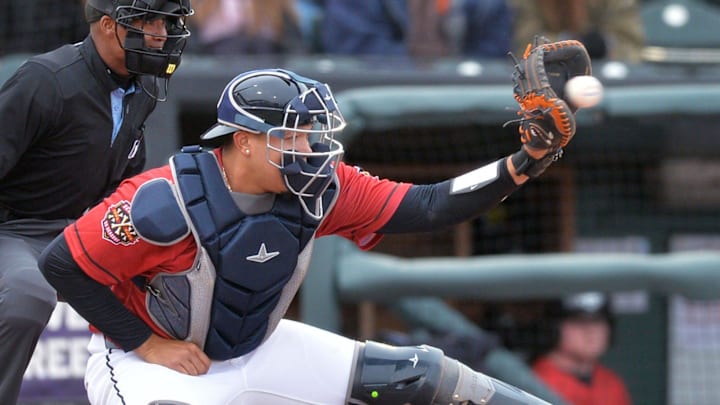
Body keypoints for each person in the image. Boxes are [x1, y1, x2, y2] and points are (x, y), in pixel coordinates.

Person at [38, 63, 579, 404]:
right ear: (244, 140)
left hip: (254, 348)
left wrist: (523, 162)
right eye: (293, 136)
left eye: (312, 135)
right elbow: (61, 266)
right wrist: (146, 343)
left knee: (421, 377)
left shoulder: (320, 187)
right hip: (146, 363)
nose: (310, 149)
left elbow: (430, 206)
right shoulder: (161, 201)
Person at [0, 1, 193, 403]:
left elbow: (121, 179)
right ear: (108, 25)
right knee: (27, 295)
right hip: (16, 227)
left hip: (83, 226)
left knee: (187, 272)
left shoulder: (146, 84)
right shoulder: (46, 79)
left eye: (165, 21)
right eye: (146, 21)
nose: (160, 32)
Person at [532, 292, 633, 405]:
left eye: (598, 321)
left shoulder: (612, 383)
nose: (591, 331)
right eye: (579, 321)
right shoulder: (535, 382)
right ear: (554, 329)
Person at [321, 0, 512, 59]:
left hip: (469, 112)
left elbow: (495, 53)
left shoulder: (487, 5)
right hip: (387, 106)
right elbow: (356, 52)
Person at [508, 0, 645, 63]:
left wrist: (605, 45)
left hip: (605, 76)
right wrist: (569, 46)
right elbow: (524, 46)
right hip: (547, 78)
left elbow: (631, 45)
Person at [188, 0, 306, 55]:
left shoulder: (278, 5)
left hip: (266, 65)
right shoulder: (200, 4)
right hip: (215, 65)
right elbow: (190, 47)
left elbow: (295, 47)